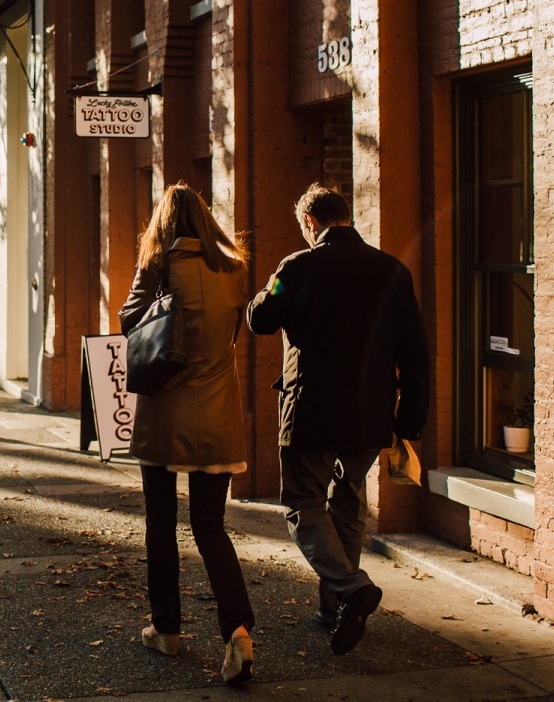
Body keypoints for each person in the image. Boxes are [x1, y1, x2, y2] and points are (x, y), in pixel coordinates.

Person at [247, 183, 430, 657]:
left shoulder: (297, 267)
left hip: (310, 411)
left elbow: (260, 319)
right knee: (347, 504)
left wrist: (272, 283)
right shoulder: (392, 270)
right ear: (346, 217)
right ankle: (336, 609)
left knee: (303, 504)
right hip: (369, 415)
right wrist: (408, 419)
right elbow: (414, 350)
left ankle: (350, 589)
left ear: (310, 223)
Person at [119, 182, 256, 686]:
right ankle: (238, 631)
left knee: (160, 521)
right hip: (217, 410)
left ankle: (167, 627)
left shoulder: (158, 265)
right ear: (204, 218)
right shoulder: (233, 269)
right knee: (209, 525)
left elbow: (129, 320)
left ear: (163, 221)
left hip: (165, 409)